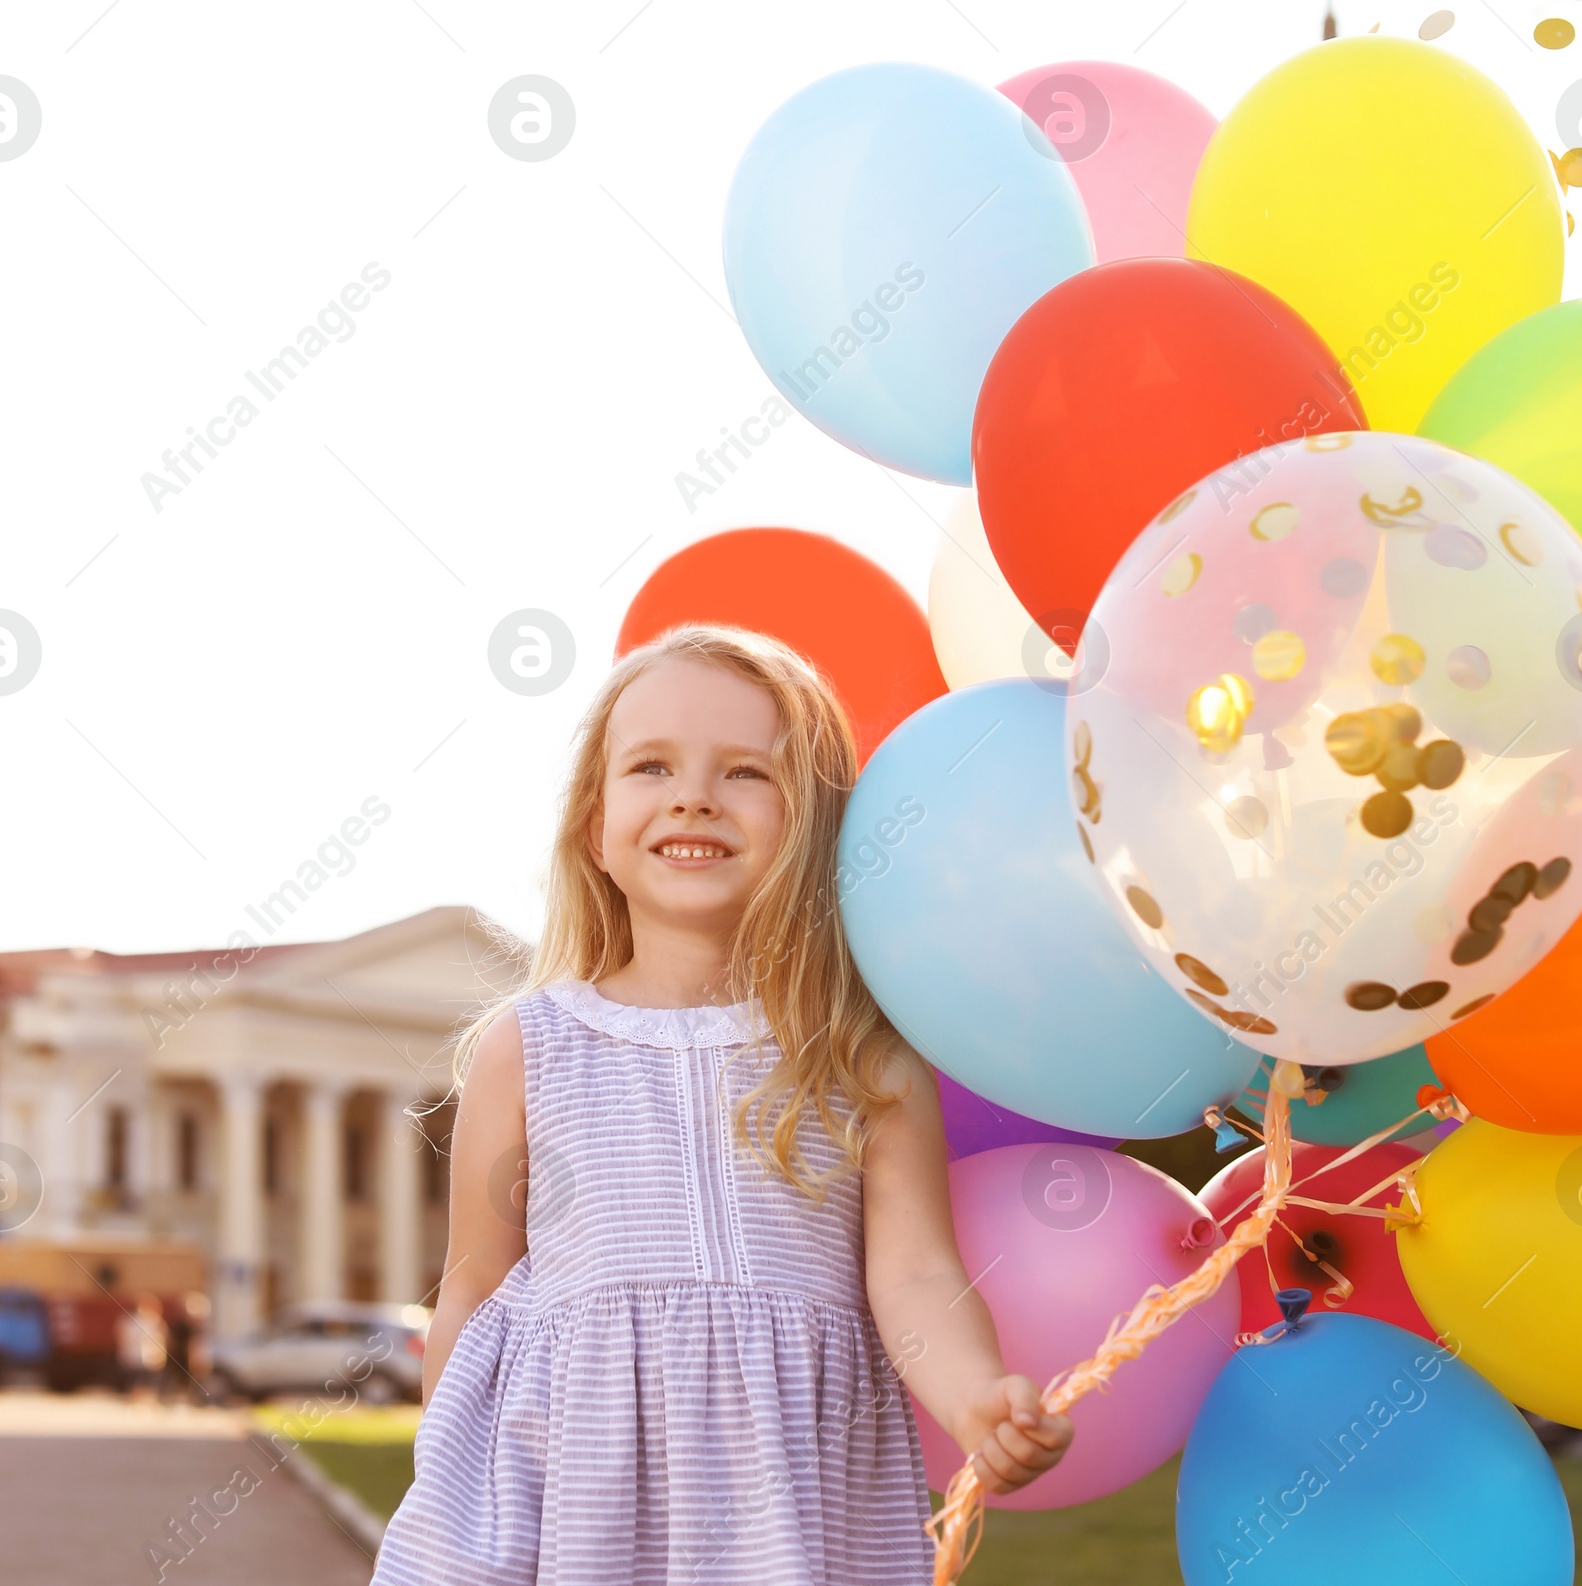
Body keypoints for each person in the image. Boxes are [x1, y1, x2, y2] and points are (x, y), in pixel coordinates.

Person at [375, 624, 1072, 1584]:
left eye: (747, 773)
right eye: (652, 766)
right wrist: (449, 1491)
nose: (693, 795)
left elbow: (913, 1277)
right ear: (594, 828)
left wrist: (975, 1397)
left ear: (817, 829)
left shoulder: (862, 1057)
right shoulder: (530, 1047)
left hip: (791, 1495)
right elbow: (475, 1289)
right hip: (581, 1497)